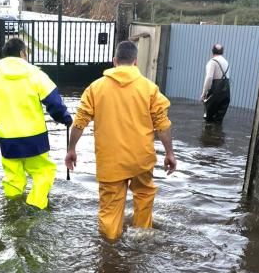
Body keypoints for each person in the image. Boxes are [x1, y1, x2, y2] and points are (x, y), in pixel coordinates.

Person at [65, 40, 176, 241]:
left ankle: (109, 250)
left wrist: (71, 149)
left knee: (109, 210)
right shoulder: (149, 88)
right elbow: (163, 124)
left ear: (114, 61)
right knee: (143, 196)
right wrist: (170, 153)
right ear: (135, 62)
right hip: (141, 158)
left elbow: (80, 122)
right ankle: (141, 241)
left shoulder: (95, 88)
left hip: (110, 161)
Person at [0, 37, 72, 210]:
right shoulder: (36, 75)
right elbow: (54, 103)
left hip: (8, 140)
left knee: (13, 178)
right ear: (22, 54)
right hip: (35, 139)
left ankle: (12, 209)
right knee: (43, 172)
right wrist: (64, 118)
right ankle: (35, 206)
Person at [201, 43, 230, 122]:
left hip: (215, 92)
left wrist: (204, 93)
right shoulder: (226, 62)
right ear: (222, 52)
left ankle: (208, 134)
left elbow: (209, 78)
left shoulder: (212, 62)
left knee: (209, 119)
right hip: (226, 92)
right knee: (219, 119)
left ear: (212, 51)